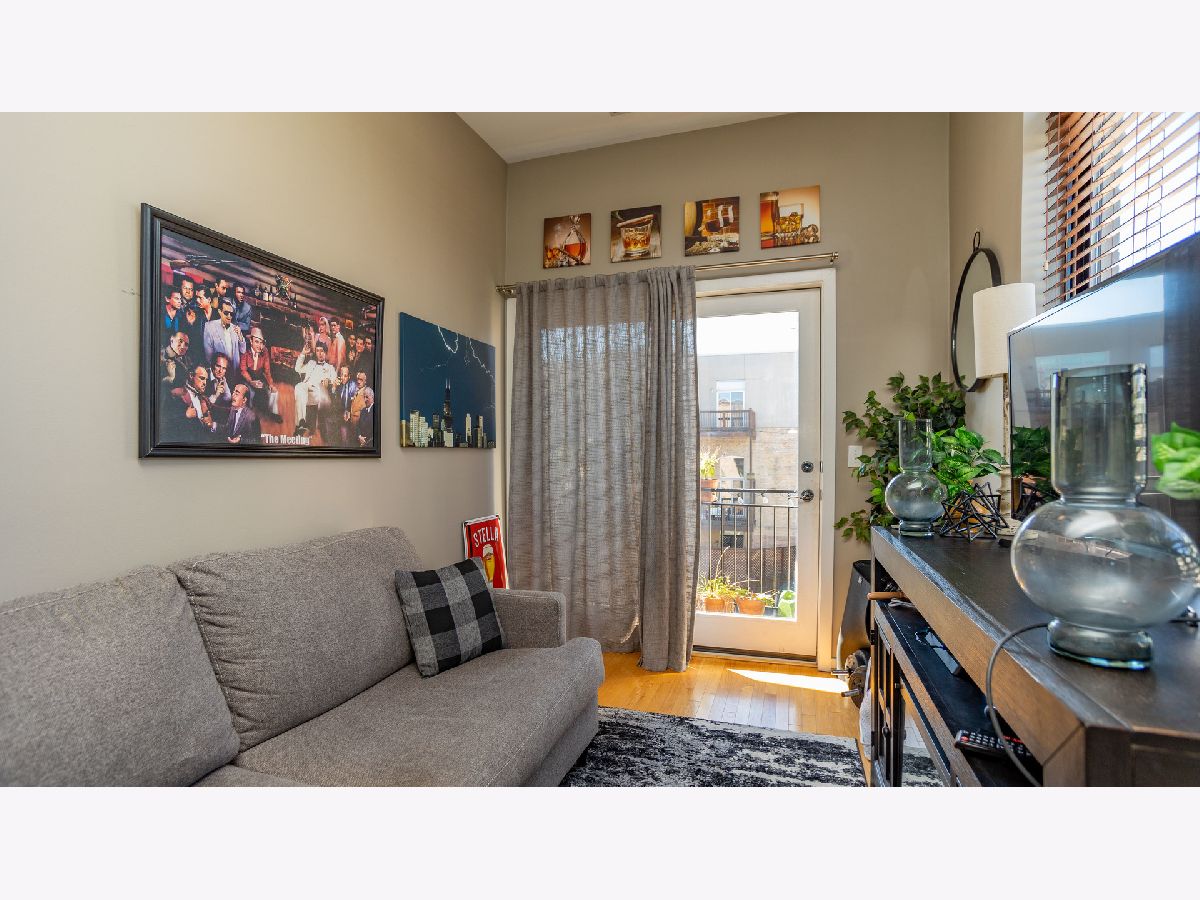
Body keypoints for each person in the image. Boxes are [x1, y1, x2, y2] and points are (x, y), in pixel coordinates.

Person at [294, 336, 337, 442]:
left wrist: (329, 383)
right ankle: (301, 422)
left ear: (325, 353)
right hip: (307, 390)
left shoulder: (330, 368)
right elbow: (297, 368)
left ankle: (301, 424)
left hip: (318, 393)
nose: (320, 353)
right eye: (317, 351)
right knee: (299, 387)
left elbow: (334, 384)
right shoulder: (311, 363)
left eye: (322, 351)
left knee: (301, 389)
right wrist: (303, 353)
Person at [165, 364, 216, 441]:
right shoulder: (176, 394)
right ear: (191, 376)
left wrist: (209, 424)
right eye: (202, 378)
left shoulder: (203, 398)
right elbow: (166, 422)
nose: (205, 383)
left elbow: (218, 411)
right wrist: (185, 416)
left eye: (206, 379)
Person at [240, 326, 280, 422]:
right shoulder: (245, 351)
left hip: (258, 376)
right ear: (251, 341)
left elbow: (267, 370)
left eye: (262, 342)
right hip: (247, 378)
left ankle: (273, 413)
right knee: (251, 394)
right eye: (257, 342)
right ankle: (248, 417)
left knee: (274, 392)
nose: (260, 345)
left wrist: (271, 384)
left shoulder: (265, 351)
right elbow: (243, 370)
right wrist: (251, 382)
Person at [203, 298, 245, 370]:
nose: (229, 316)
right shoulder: (209, 326)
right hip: (218, 370)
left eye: (231, 314)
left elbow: (243, 350)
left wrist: (240, 336)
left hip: (234, 370)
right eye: (226, 313)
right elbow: (208, 355)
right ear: (220, 311)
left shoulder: (235, 328)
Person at [334, 364, 357, 444]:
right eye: (341, 375)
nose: (342, 378)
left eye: (345, 376)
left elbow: (353, 402)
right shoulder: (338, 385)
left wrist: (348, 411)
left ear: (349, 376)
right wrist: (334, 388)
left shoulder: (353, 385)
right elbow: (335, 401)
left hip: (349, 413)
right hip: (339, 414)